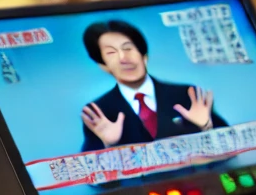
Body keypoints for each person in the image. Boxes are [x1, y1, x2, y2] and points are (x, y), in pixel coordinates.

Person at [78, 18, 227, 152]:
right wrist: (108, 146)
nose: (124, 58)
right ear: (103, 66)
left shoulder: (186, 94)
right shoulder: (99, 112)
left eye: (128, 48)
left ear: (144, 57)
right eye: (111, 53)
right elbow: (94, 179)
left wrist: (206, 127)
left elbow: (232, 147)